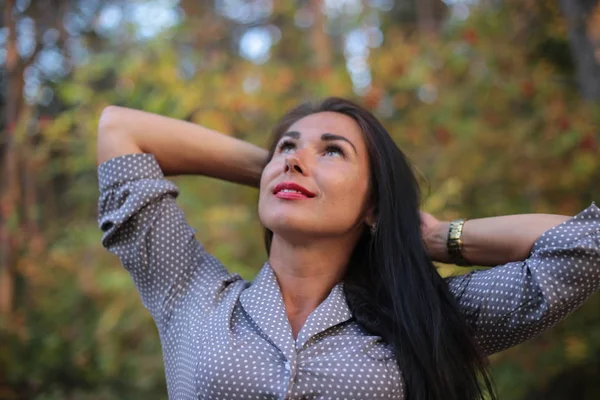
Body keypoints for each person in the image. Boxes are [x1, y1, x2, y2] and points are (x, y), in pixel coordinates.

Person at [96, 97, 599, 400]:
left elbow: (586, 245)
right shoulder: (189, 294)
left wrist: (432, 236)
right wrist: (274, 168)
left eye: (333, 151)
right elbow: (121, 130)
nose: (295, 160)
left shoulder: (426, 318)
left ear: (374, 204)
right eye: (287, 146)